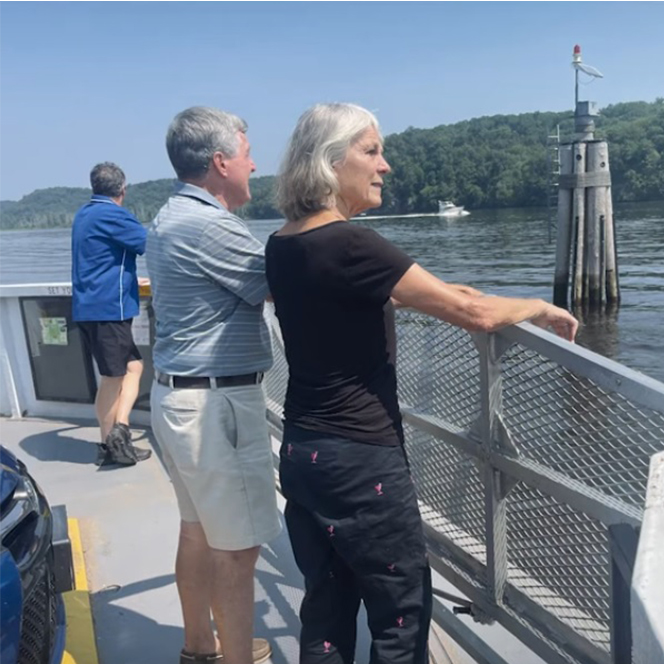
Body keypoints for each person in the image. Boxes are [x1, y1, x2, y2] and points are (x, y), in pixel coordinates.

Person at [265, 103, 579, 664]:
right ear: (330, 163)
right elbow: (472, 314)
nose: (384, 166)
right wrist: (535, 305)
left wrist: (459, 293)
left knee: (327, 608)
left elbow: (402, 289)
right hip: (361, 460)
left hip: (304, 451)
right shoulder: (352, 244)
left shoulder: (286, 243)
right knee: (400, 614)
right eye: (371, 151)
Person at [146, 107, 281, 664]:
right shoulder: (209, 224)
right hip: (213, 404)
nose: (254, 164)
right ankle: (234, 658)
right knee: (238, 547)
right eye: (247, 154)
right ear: (221, 162)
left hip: (180, 397)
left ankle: (200, 648)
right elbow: (279, 284)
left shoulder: (171, 215)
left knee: (198, 532)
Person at [72, 162, 152, 467]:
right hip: (108, 309)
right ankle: (110, 446)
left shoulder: (84, 214)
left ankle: (119, 431)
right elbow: (152, 244)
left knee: (133, 366)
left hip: (90, 306)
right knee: (113, 377)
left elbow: (102, 259)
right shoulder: (113, 214)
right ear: (123, 189)